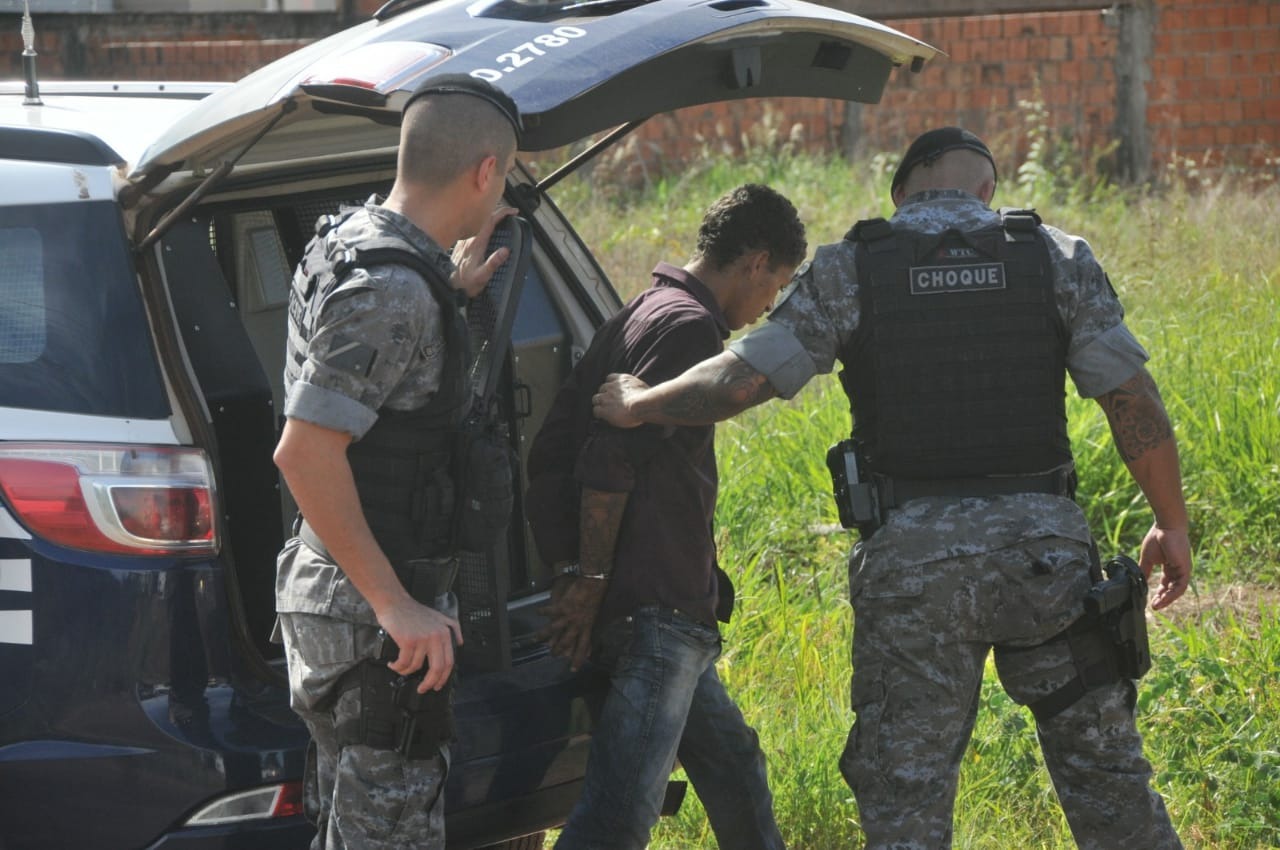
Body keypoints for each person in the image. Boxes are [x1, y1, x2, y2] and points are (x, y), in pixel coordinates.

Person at [592, 128, 1192, 849]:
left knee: (906, 797)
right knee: (1110, 779)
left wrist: (642, 403)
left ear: (902, 192)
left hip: (914, 577)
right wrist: (1171, 523)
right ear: (986, 191)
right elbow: (1134, 403)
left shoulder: (856, 266)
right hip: (1048, 567)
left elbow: (741, 380)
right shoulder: (1056, 257)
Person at [271, 74, 522, 850]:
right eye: (505, 175)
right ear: (485, 172)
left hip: (330, 599)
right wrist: (395, 605)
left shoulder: (354, 242)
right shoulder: (392, 291)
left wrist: (455, 288)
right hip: (368, 618)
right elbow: (305, 451)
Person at [533, 184, 807, 850]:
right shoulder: (686, 326)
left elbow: (554, 450)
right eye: (778, 283)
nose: (770, 302)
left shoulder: (647, 307)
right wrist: (589, 580)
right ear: (755, 261)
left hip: (668, 610)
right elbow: (606, 463)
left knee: (734, 765)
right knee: (618, 816)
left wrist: (581, 574)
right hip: (654, 612)